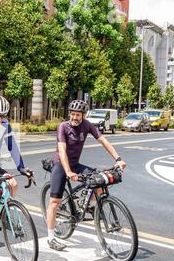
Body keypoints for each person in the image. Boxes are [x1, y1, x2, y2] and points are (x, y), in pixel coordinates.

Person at [46, 100, 126, 251]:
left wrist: (118, 159)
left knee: (100, 181)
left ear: (83, 115)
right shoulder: (63, 127)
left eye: (78, 115)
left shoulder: (87, 125)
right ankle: (51, 238)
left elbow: (103, 141)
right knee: (54, 203)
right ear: (70, 113)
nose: (75, 117)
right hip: (60, 165)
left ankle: (89, 204)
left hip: (75, 164)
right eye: (73, 114)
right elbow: (62, 150)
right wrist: (68, 171)